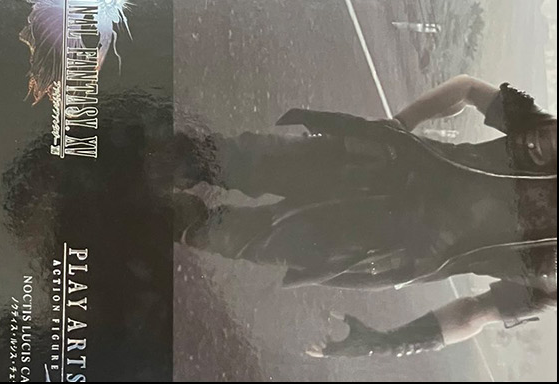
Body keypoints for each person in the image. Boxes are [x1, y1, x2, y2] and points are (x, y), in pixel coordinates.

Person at [175, 74, 556, 362]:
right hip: (369, 166)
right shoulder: (550, 136)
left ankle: (158, 216)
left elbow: (477, 312)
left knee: (219, 231)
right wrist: (399, 125)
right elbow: (467, 88)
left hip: (375, 247)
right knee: (223, 159)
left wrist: (385, 343)